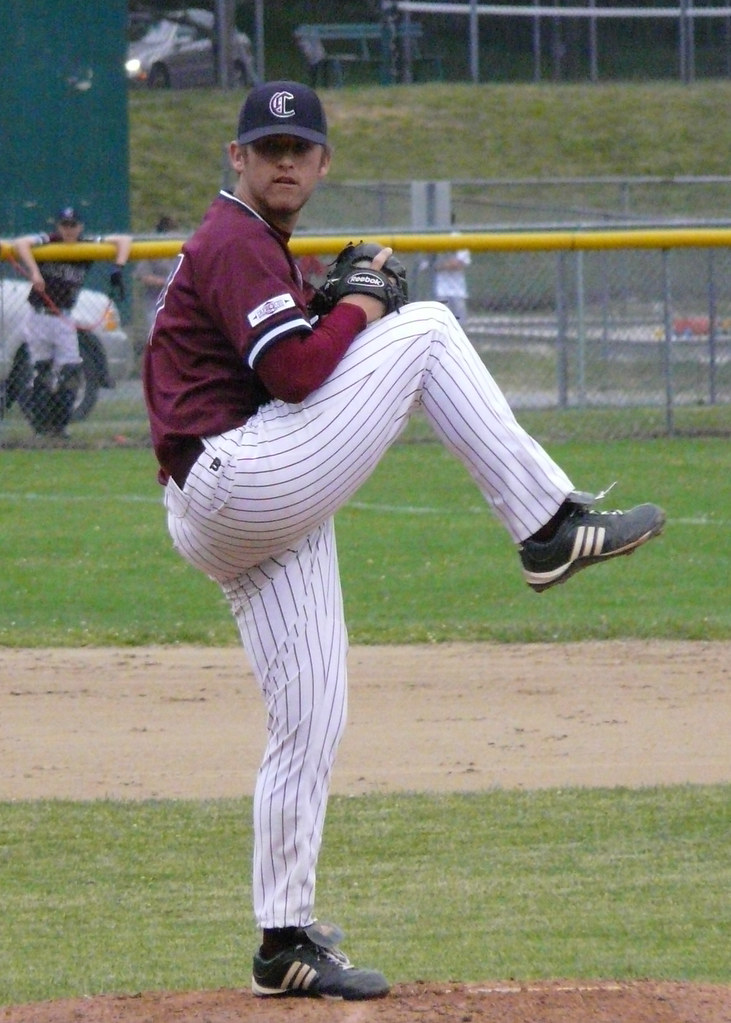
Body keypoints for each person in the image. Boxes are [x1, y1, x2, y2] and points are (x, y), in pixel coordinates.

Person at [142, 81, 665, 1002]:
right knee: (423, 328)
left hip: (235, 501)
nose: (284, 161)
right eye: (267, 148)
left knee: (310, 713)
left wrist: (334, 305)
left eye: (298, 148)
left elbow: (289, 369)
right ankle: (547, 526)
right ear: (237, 158)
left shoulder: (257, 248)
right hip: (236, 478)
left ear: (322, 162)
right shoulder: (233, 238)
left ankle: (283, 940)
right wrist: (358, 309)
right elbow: (297, 372)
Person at [10, 207, 132, 436]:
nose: (69, 230)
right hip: (38, 315)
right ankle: (41, 426)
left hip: (63, 317)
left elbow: (124, 241)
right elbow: (20, 244)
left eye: (73, 225)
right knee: (41, 372)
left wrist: (118, 268)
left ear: (80, 227)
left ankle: (60, 425)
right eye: (64, 225)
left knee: (70, 373)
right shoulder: (49, 242)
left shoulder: (86, 245)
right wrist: (35, 272)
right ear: (58, 227)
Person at [134, 216, 179, 335]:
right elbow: (144, 277)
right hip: (156, 302)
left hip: (179, 302)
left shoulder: (181, 248)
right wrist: (167, 282)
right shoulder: (153, 248)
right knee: (159, 335)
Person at [433, 245, 471, 321]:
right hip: (441, 290)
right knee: (441, 320)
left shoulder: (461, 242)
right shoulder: (437, 241)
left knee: (460, 321)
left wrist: (442, 265)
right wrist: (447, 264)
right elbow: (432, 266)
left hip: (458, 291)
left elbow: (459, 264)